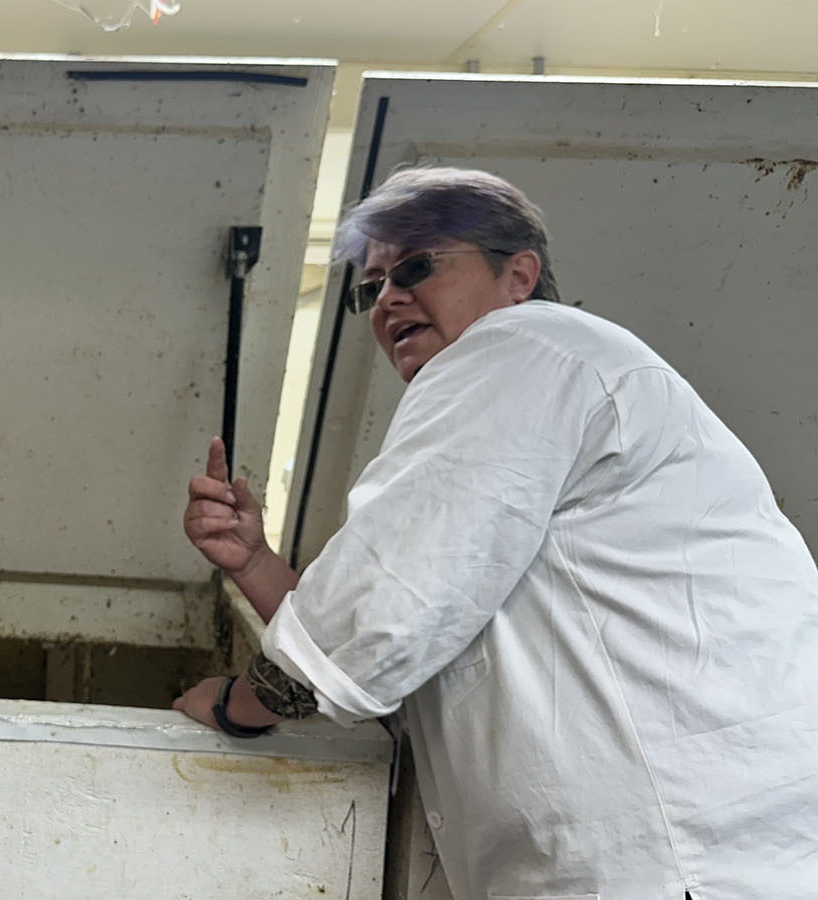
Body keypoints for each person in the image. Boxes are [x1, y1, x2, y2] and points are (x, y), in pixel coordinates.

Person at [173, 166, 818, 898]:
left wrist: (237, 704)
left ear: (519, 275)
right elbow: (394, 657)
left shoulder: (518, 349)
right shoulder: (547, 387)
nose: (388, 298)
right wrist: (256, 563)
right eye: (371, 286)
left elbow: (378, 619)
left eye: (415, 267)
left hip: (677, 862)